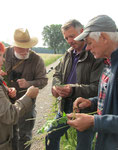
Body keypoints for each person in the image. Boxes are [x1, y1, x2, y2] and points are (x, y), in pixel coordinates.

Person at [45, 19, 104, 150]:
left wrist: (73, 90)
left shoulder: (95, 54)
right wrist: (55, 86)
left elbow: (97, 88)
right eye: (66, 38)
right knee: (50, 135)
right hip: (65, 107)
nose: (70, 41)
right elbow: (57, 74)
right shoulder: (67, 54)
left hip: (86, 110)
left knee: (83, 146)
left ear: (82, 32)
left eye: (72, 36)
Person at [67, 15, 118, 150]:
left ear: (104, 37)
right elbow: (111, 98)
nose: (87, 48)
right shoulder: (108, 63)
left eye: (89, 43)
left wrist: (94, 121)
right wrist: (92, 102)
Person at [4, 28, 48, 150]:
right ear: (13, 46)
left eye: (27, 47)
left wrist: (29, 83)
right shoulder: (3, 54)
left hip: (27, 104)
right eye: (21, 47)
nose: (25, 51)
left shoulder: (36, 59)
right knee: (7, 136)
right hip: (6, 104)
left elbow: (44, 81)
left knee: (24, 136)